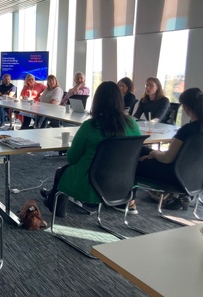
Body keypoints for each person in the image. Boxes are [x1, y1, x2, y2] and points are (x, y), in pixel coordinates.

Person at [40, 81, 141, 215]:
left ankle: (56, 209)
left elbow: (71, 158)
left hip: (91, 185)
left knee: (61, 172)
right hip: (123, 184)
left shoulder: (90, 126)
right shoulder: (133, 125)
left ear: (97, 101)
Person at [134, 88, 203, 210]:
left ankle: (128, 202)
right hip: (193, 173)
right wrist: (155, 154)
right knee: (142, 150)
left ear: (187, 108)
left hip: (172, 174)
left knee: (135, 157)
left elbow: (167, 159)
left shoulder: (187, 130)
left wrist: (154, 153)